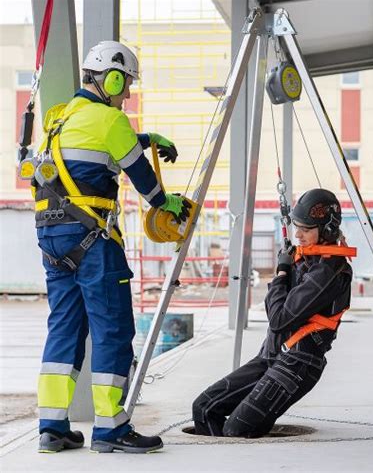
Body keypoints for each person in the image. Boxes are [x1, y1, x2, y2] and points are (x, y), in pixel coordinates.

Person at [35, 41, 190, 454]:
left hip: (53, 238)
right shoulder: (111, 119)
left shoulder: (58, 118)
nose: (126, 95)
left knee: (64, 327)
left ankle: (52, 427)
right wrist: (168, 202)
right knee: (113, 328)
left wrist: (142, 137)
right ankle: (111, 427)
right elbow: (145, 182)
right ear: (113, 78)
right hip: (93, 240)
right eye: (125, 86)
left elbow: (90, 146)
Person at [192, 189, 354, 437]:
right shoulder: (306, 257)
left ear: (327, 230)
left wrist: (281, 273)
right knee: (203, 408)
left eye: (306, 229)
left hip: (298, 363)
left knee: (237, 429)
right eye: (296, 226)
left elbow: (278, 319)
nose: (298, 234)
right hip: (271, 356)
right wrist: (290, 266)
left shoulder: (328, 271)